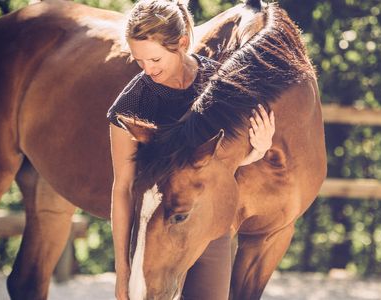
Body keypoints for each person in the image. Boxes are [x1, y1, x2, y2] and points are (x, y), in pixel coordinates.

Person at [106, 0, 275, 299]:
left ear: (181, 43)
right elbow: (123, 188)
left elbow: (222, 164)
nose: (148, 69)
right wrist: (123, 270)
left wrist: (257, 150)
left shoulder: (219, 85)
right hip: (157, 231)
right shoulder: (131, 103)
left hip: (209, 227)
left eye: (155, 60)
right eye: (139, 61)